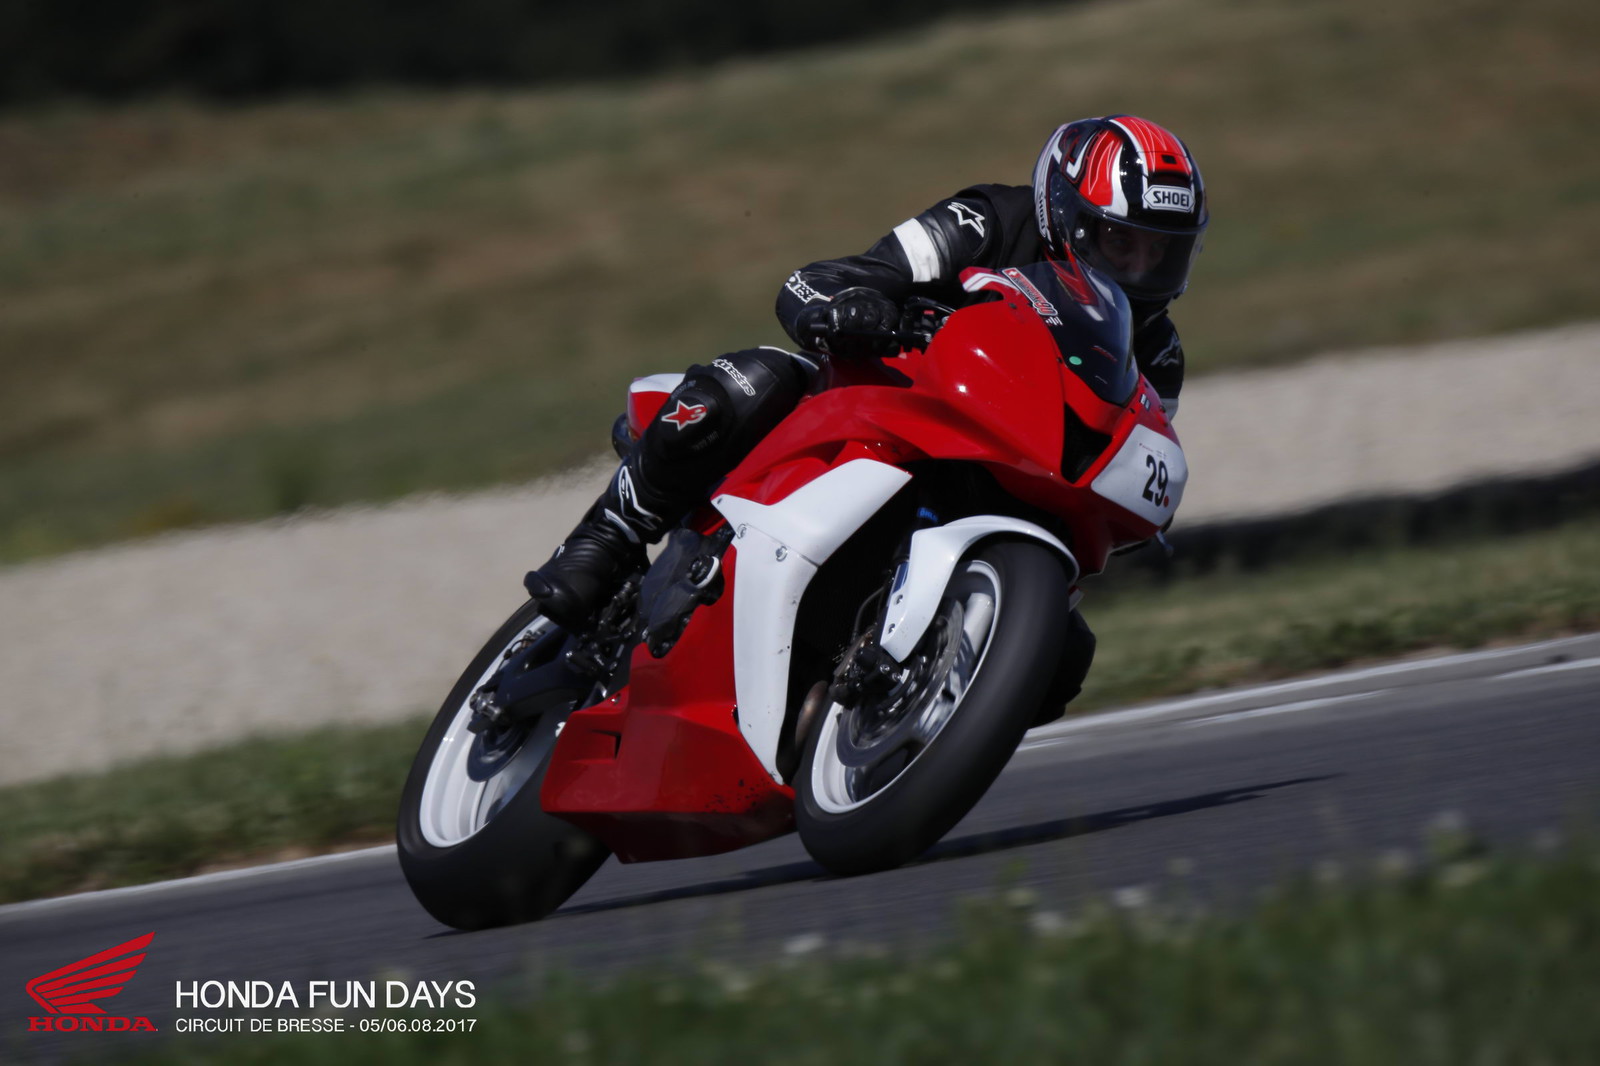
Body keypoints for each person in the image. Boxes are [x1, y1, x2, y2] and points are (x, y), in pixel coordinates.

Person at [524, 115, 1208, 644]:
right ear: (1065, 214)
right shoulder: (987, 221)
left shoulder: (1158, 355)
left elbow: (1121, 454)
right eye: (1121, 241)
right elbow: (825, 279)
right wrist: (852, 307)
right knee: (751, 379)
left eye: (1160, 251)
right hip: (881, 397)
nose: (1139, 268)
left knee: (1065, 651)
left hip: (1004, 477)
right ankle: (605, 538)